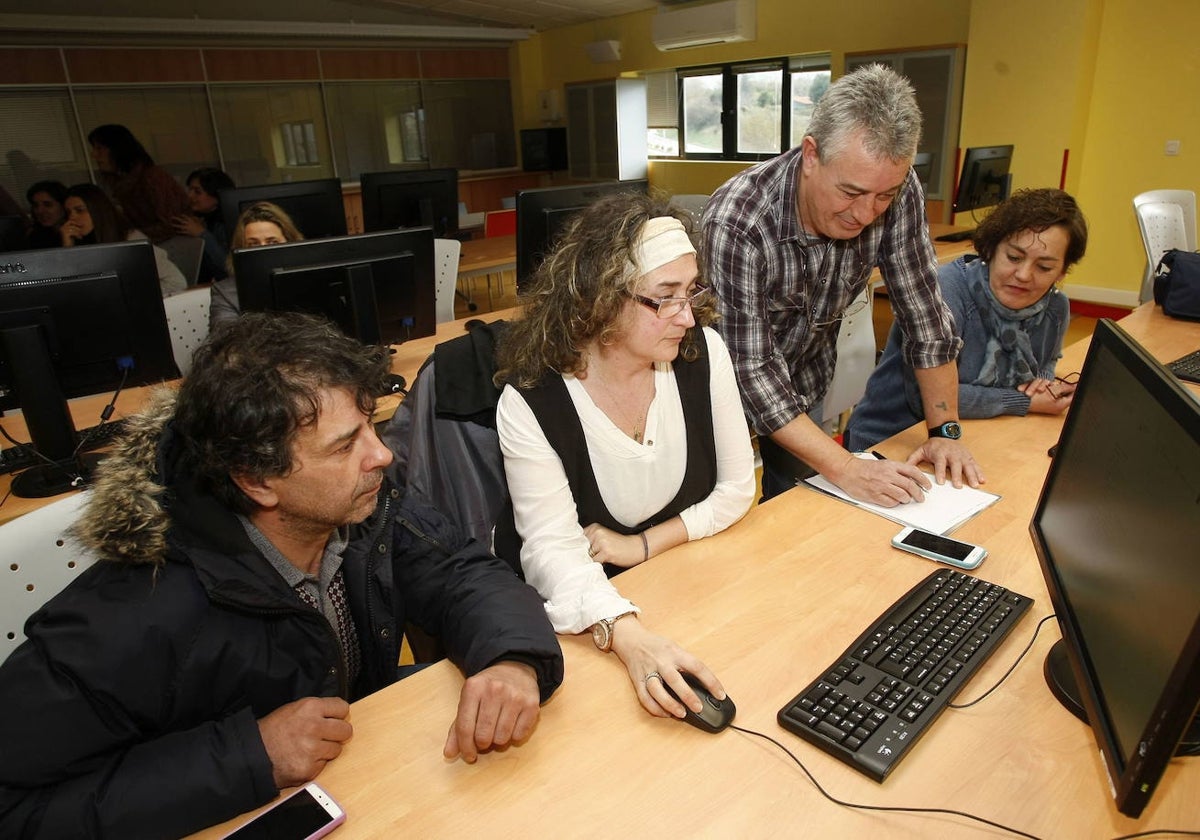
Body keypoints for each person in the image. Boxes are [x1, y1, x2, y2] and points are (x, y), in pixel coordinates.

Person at [0, 311, 564, 838]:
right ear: (257, 482)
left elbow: (462, 572)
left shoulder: (357, 509)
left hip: (359, 792)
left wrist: (511, 659)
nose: (383, 454)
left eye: (369, 424)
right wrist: (249, 756)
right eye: (345, 445)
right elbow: (16, 809)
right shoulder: (130, 617)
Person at [493, 192, 756, 720]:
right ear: (600, 298)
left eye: (691, 291)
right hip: (581, 623)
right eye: (665, 297)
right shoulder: (531, 403)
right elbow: (553, 555)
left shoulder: (704, 354)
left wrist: (641, 546)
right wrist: (630, 637)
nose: (686, 315)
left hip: (678, 588)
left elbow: (738, 489)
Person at [701, 64, 983, 507]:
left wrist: (945, 431)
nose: (867, 212)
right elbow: (750, 370)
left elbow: (926, 318)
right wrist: (847, 465)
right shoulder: (739, 221)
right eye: (850, 192)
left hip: (803, 385)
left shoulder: (895, 185)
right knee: (720, 521)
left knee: (804, 511)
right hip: (717, 397)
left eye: (883, 196)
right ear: (811, 155)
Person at [845, 189, 1088, 450]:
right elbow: (926, 396)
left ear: (1062, 271)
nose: (1024, 275)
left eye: (1044, 267)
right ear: (992, 248)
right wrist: (1024, 401)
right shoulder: (944, 293)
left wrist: (1042, 383)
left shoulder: (1056, 308)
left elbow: (1047, 361)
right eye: (1014, 257)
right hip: (892, 439)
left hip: (981, 435)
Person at [60, 183, 186, 295]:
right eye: (68, 212)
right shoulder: (79, 242)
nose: (72, 217)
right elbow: (71, 291)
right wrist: (68, 248)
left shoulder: (131, 240)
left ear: (98, 211)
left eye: (80, 210)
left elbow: (175, 282)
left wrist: (128, 296)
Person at [87, 123, 189, 244]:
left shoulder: (152, 177)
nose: (93, 155)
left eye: (99, 148)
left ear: (117, 149)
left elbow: (172, 224)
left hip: (176, 245)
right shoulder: (119, 181)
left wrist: (131, 236)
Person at [209, 201, 304, 329]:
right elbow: (226, 340)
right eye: (254, 244)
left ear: (290, 242)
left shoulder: (308, 282)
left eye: (272, 242)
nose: (263, 251)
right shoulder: (225, 293)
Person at [173, 166, 236, 284]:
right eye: (190, 190)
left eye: (197, 192)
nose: (190, 196)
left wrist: (202, 234)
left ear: (216, 196)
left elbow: (229, 267)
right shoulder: (200, 219)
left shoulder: (227, 223)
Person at [24, 179, 67, 249]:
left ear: (64, 205)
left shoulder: (81, 232)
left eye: (48, 205)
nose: (40, 211)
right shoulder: (36, 236)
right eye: (36, 205)